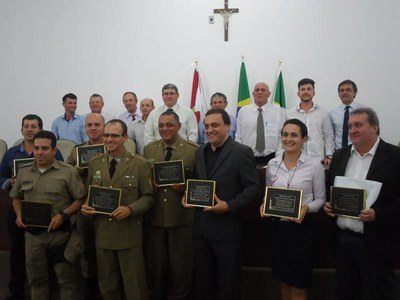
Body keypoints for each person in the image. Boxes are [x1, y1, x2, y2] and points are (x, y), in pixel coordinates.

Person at [183, 109, 261, 299]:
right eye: (206, 126)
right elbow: (197, 181)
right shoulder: (199, 151)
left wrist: (229, 205)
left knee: (228, 285)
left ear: (228, 126)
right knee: (203, 284)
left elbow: (253, 188)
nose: (209, 130)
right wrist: (188, 195)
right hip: (201, 231)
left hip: (228, 231)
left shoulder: (242, 152)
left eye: (215, 125)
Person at [324, 108, 400, 300]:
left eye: (358, 125)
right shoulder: (340, 155)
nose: (353, 130)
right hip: (343, 241)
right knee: (346, 292)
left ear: (375, 127)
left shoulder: (395, 156)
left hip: (377, 241)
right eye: (350, 126)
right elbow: (330, 189)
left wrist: (378, 214)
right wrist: (328, 205)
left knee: (380, 292)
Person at [81, 119, 153, 300]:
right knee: (107, 286)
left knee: (134, 286)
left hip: (128, 234)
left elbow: (148, 197)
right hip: (103, 234)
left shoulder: (139, 163)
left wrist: (130, 209)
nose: (109, 139)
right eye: (106, 135)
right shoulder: (95, 163)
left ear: (125, 138)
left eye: (114, 135)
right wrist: (86, 207)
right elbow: (90, 194)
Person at [10, 130, 85, 300]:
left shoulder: (68, 172)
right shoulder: (24, 172)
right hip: (33, 236)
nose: (39, 152)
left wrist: (63, 215)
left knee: (67, 280)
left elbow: (80, 199)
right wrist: (19, 215)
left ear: (53, 150)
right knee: (37, 279)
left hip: (61, 235)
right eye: (36, 148)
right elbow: (16, 197)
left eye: (44, 148)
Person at [260, 119, 325, 300]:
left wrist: (306, 207)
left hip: (301, 230)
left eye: (294, 135)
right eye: (285, 134)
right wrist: (264, 205)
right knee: (282, 280)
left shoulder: (314, 166)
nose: (289, 139)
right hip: (277, 229)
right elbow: (268, 193)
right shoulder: (272, 165)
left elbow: (320, 199)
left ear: (304, 139)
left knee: (298, 283)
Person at [0, 114, 63, 300]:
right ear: (21, 130)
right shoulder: (11, 153)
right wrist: (8, 183)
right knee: (18, 250)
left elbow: (61, 174)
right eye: (26, 126)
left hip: (45, 207)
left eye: (33, 126)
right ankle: (16, 290)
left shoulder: (53, 151)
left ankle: (48, 290)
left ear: (40, 130)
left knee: (46, 250)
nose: (29, 129)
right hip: (18, 206)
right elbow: (1, 177)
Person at [143, 111, 198, 300]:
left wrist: (186, 187)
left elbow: (202, 184)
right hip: (155, 216)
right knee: (157, 265)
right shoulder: (149, 150)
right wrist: (150, 184)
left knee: (180, 265)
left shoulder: (193, 150)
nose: (164, 129)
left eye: (169, 125)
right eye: (161, 125)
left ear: (179, 126)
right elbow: (143, 180)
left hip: (181, 216)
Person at [66, 112, 105, 300]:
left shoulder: (112, 147)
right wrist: (74, 171)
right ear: (85, 128)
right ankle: (91, 287)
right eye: (89, 125)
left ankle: (108, 286)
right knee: (87, 248)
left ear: (104, 127)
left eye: (97, 124)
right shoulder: (76, 150)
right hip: (83, 207)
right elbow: (64, 175)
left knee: (107, 248)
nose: (93, 128)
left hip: (107, 207)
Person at [235, 82, 286, 166]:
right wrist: (240, 157)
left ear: (269, 94)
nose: (259, 92)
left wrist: (279, 157)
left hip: (272, 158)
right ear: (253, 93)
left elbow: (282, 137)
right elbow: (238, 136)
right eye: (257, 90)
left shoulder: (279, 111)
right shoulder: (243, 111)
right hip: (248, 157)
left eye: (263, 90)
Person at [286, 78, 334, 164]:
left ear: (313, 93)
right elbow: (283, 137)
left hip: (318, 161)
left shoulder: (322, 112)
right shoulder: (289, 114)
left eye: (309, 89)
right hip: (296, 161)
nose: (305, 92)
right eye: (303, 89)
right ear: (298, 93)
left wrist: (329, 155)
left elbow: (328, 136)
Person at [329, 80, 366, 150]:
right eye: (342, 90)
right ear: (339, 94)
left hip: (358, 152)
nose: (344, 92)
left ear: (355, 93)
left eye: (348, 90)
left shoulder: (364, 111)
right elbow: (331, 136)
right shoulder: (332, 113)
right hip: (339, 153)